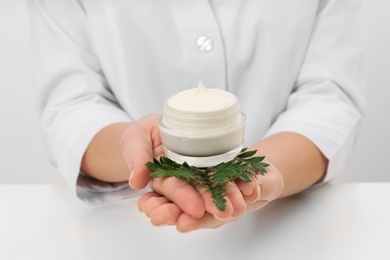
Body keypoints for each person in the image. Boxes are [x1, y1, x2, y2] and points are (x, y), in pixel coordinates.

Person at [29, 0, 365, 232]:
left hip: (295, 224)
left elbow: (329, 96)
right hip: (119, 229)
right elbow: (70, 106)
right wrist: (136, 150)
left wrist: (259, 173)